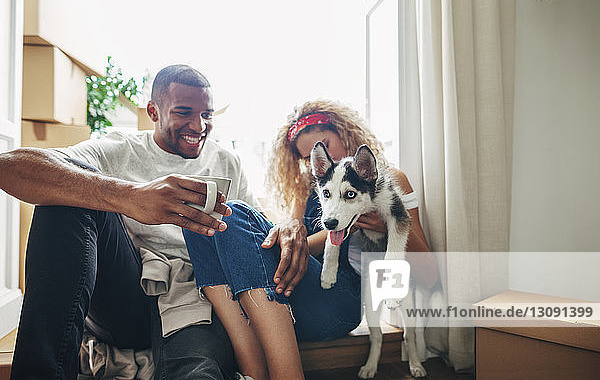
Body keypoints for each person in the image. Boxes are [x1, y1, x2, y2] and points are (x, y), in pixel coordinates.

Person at [0, 64, 307, 380]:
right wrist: (130, 197)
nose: (198, 125)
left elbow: (254, 229)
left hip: (196, 299)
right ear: (153, 111)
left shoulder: (226, 161)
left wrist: (288, 225)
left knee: (199, 374)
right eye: (184, 112)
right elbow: (9, 166)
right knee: (66, 197)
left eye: (207, 115)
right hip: (125, 296)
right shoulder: (120, 150)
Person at [182, 99, 438, 380]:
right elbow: (297, 247)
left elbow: (429, 276)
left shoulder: (390, 182)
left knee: (235, 213)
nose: (321, 156)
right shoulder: (311, 192)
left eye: (326, 144)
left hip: (343, 300)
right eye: (309, 157)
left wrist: (385, 225)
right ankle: (253, 373)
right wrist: (290, 230)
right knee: (204, 222)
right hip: (295, 303)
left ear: (346, 133)